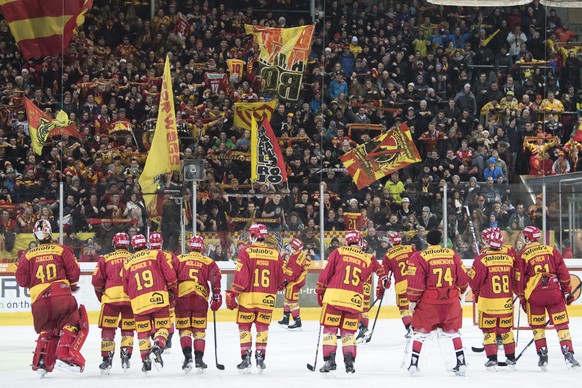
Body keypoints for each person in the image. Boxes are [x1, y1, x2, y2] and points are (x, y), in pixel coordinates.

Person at [15, 219, 88, 376]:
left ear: (35, 235)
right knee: (72, 322)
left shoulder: (27, 256)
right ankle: (65, 353)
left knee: (47, 328)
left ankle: (41, 363)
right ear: (50, 233)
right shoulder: (61, 250)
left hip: (39, 301)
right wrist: (72, 284)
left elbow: (22, 281)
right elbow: (74, 272)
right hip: (60, 295)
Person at [315, 230, 387, 374]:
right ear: (360, 242)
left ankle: (329, 361)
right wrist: (380, 289)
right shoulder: (368, 258)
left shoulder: (338, 252)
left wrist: (320, 292)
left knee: (330, 330)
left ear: (346, 241)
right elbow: (383, 275)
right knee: (348, 333)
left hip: (334, 297)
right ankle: (350, 363)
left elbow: (325, 275)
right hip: (354, 300)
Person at [405, 229, 469, 376]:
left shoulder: (419, 257)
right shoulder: (451, 254)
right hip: (450, 301)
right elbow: (463, 279)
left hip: (429, 303)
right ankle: (461, 363)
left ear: (427, 241)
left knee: (420, 334)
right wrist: (460, 293)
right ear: (440, 241)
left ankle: (414, 364)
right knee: (452, 333)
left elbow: (416, 283)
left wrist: (413, 301)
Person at [515, 225, 580, 370]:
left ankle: (542, 355)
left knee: (538, 326)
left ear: (527, 238)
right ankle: (568, 353)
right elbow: (563, 273)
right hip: (553, 292)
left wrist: (521, 298)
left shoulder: (522, 255)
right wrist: (567, 291)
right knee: (561, 325)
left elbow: (519, 280)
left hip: (534, 295)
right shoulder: (551, 250)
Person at [225, 224, 284, 372]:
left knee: (244, 327)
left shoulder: (246, 252)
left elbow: (241, 278)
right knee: (262, 328)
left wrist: (233, 293)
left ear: (253, 236)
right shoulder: (275, 254)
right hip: (267, 298)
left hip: (249, 297)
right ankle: (260, 357)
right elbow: (281, 281)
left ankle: (246, 358)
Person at [123, 234, 177, 373]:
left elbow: (125, 288)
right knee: (163, 327)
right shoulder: (156, 254)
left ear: (133, 246)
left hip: (139, 302)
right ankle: (158, 345)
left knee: (143, 333)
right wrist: (172, 289)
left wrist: (135, 297)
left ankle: (145, 361)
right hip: (158, 297)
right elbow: (170, 276)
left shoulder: (127, 261)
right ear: (145, 244)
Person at [469, 230, 517, 370]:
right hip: (506, 303)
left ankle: (492, 359)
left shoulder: (482, 259)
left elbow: (473, 282)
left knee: (489, 331)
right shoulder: (509, 258)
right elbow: (514, 279)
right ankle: (511, 358)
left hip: (488, 302)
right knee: (506, 330)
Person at [172, 235, 222, 373]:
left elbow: (170, 278)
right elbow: (215, 280)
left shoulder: (179, 259)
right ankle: (199, 359)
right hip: (200, 298)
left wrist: (171, 296)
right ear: (202, 247)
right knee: (199, 331)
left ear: (189, 247)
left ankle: (188, 358)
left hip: (182, 298)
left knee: (185, 330)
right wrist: (216, 297)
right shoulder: (208, 261)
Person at [92, 232, 135, 374]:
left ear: (114, 243)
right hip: (131, 300)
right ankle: (126, 356)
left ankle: (106, 360)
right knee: (128, 329)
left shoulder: (105, 258)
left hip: (111, 299)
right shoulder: (134, 258)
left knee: (108, 329)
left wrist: (102, 295)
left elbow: (96, 281)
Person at [381, 231, 416, 337]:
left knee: (403, 309)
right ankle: (421, 328)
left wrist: (385, 284)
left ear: (391, 242)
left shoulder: (388, 255)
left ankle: (410, 329)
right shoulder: (410, 248)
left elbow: (384, 274)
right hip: (414, 282)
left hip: (401, 285)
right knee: (418, 306)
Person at [148, 231, 177, 351]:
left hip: (149, 291)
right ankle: (167, 340)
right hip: (167, 290)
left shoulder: (144, 255)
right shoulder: (169, 255)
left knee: (151, 315)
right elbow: (175, 272)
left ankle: (155, 338)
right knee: (168, 315)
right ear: (162, 242)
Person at [278, 238, 310, 330]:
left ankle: (297, 321)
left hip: (294, 283)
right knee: (287, 298)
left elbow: (292, 274)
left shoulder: (294, 259)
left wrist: (285, 281)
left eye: (292, 246)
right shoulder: (300, 254)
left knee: (292, 301)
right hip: (297, 280)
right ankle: (286, 318)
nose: (291, 247)